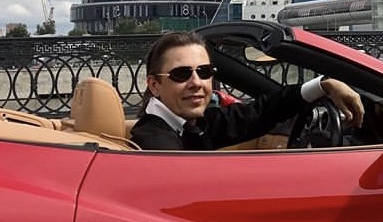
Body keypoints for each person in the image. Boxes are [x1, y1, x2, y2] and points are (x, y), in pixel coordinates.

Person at [130, 30, 364, 150]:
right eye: (181, 74)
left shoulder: (191, 123)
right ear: (154, 85)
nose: (196, 82)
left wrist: (323, 85)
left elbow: (258, 113)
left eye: (204, 72)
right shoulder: (156, 146)